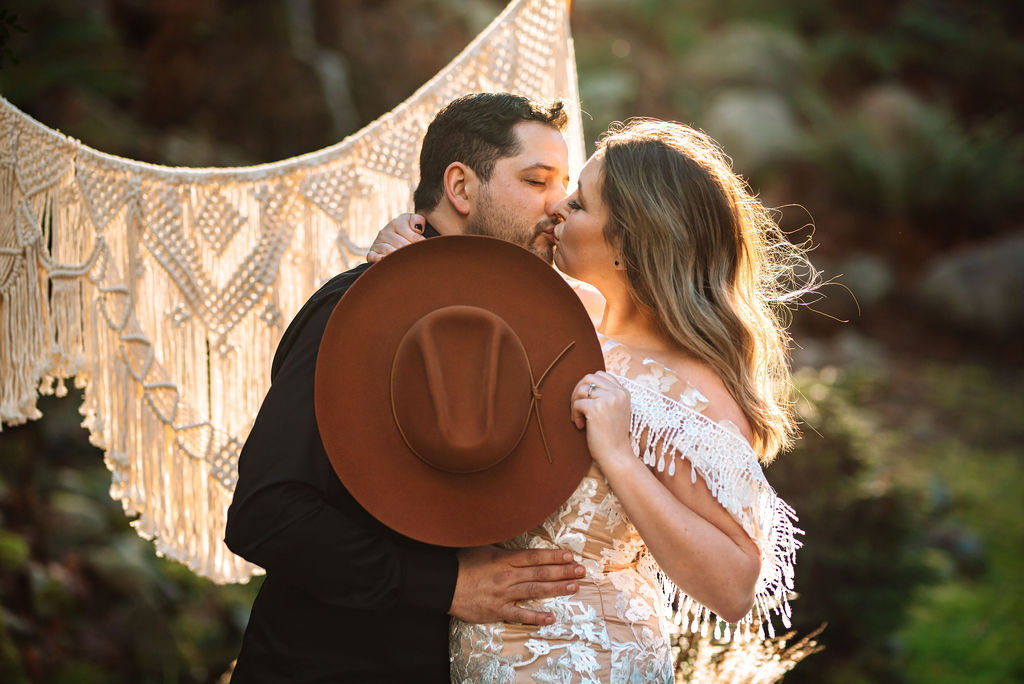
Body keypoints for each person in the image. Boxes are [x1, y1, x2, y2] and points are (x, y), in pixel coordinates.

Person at [368, 119, 811, 681]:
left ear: (627, 239)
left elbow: (733, 587)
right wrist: (401, 254)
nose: (556, 212)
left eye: (577, 205)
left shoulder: (693, 388)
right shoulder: (552, 323)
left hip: (590, 662)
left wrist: (620, 456)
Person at [224, 92, 590, 684]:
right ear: (462, 188)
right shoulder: (353, 309)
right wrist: (447, 585)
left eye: (565, 186)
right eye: (536, 180)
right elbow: (266, 513)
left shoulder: (523, 322)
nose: (559, 207)